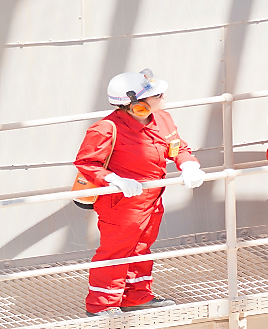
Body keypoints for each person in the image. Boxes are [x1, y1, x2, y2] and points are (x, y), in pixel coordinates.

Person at [75, 70, 205, 315]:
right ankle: (102, 305)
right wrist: (114, 180)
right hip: (121, 202)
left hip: (152, 197)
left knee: (142, 247)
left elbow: (178, 147)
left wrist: (188, 165)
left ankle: (136, 296)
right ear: (137, 106)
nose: (163, 95)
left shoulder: (162, 118)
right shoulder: (105, 129)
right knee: (115, 251)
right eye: (156, 94)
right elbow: (87, 163)